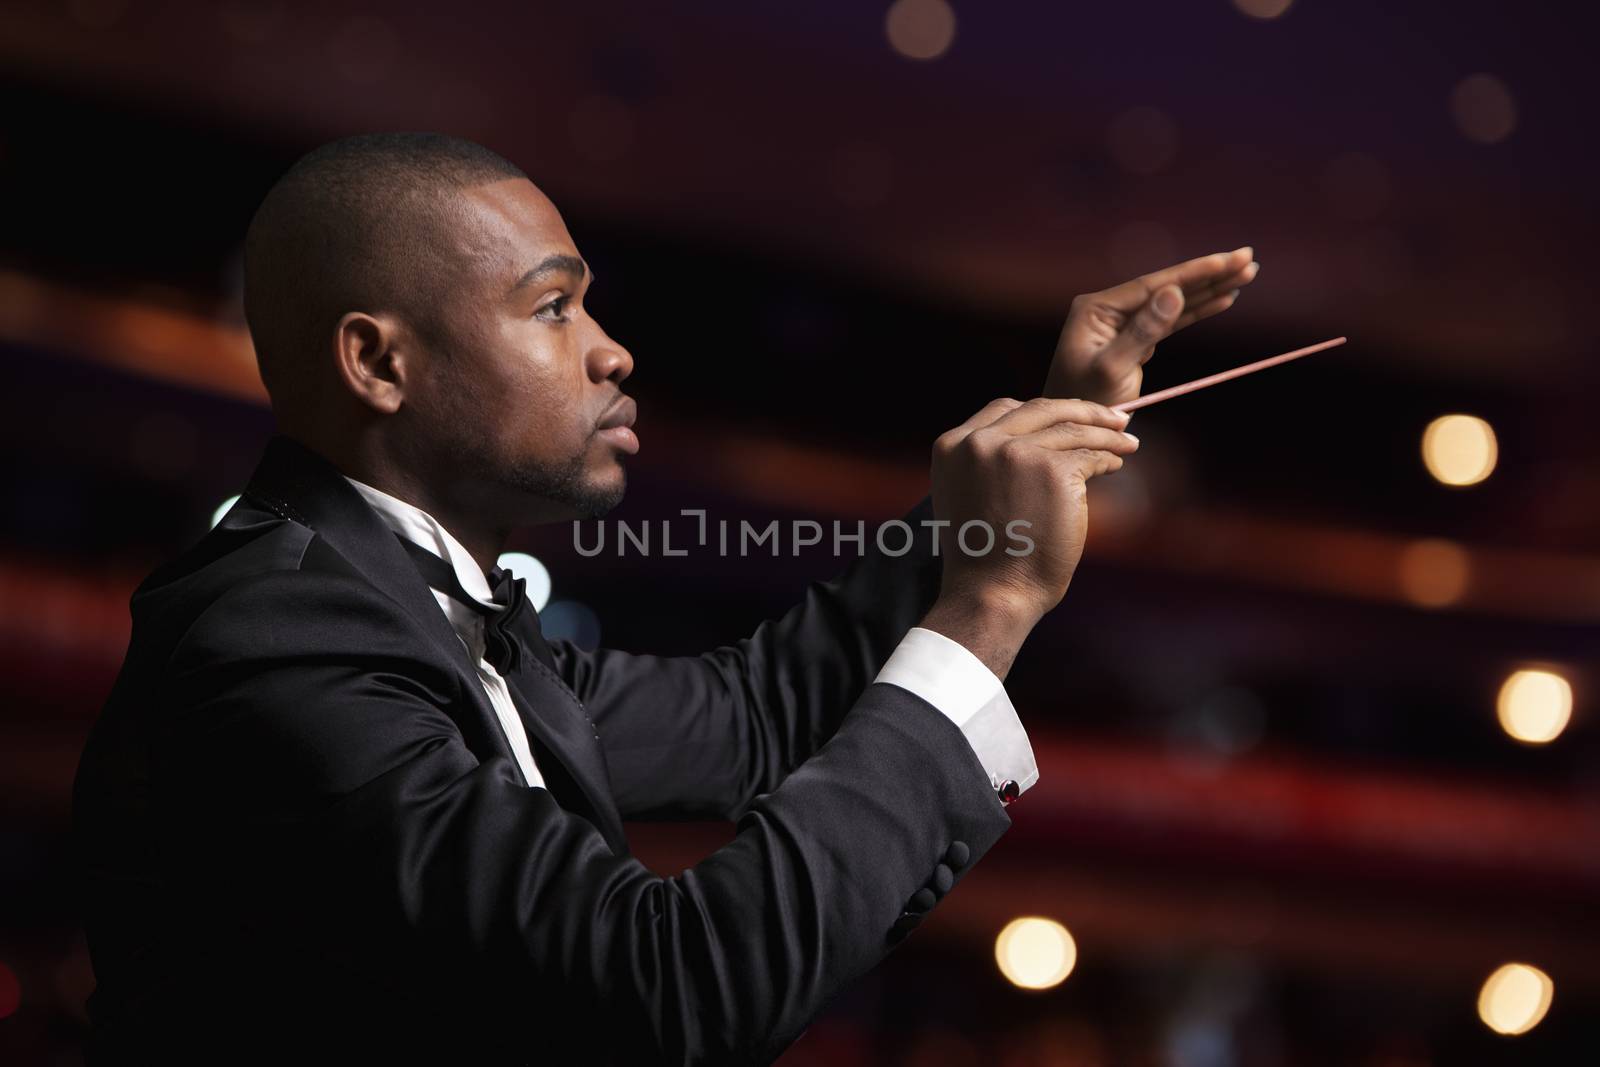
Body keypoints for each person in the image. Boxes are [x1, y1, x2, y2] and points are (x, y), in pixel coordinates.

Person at [71, 132, 1257, 1064]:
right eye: (553, 307)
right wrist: (989, 608)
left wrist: (1041, 449)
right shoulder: (275, 638)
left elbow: (757, 713)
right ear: (378, 362)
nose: (612, 349)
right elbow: (669, 992)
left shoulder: (414, 608)